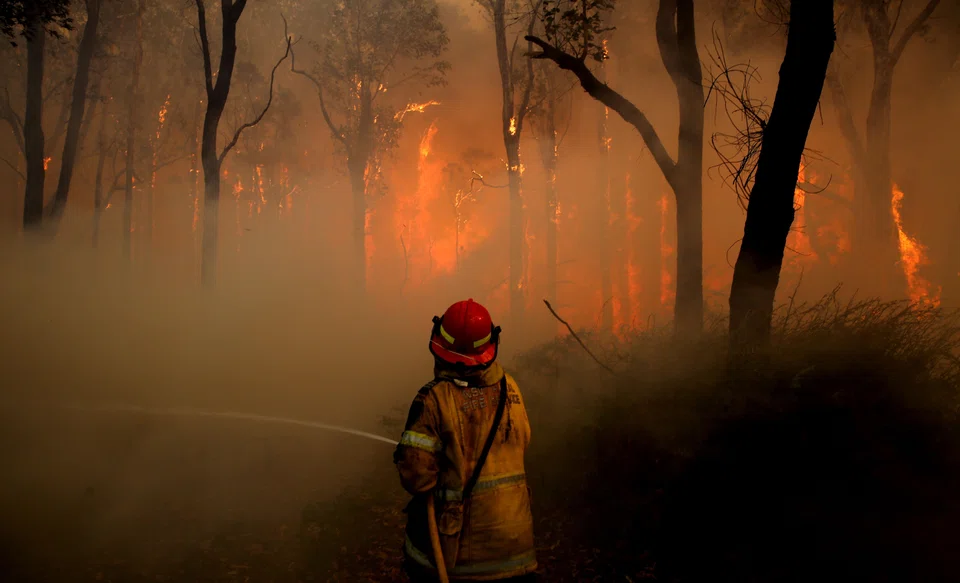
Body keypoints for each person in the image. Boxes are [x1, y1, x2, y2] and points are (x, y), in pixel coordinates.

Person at [393, 299, 537, 582]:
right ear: (491, 344)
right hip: (516, 549)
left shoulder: (432, 399)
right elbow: (524, 441)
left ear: (438, 345)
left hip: (455, 560)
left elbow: (417, 478)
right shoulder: (511, 388)